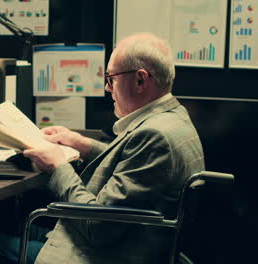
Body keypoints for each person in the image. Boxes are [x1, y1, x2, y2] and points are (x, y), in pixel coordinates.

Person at [20, 32, 205, 264]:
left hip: (104, 255)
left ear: (140, 80)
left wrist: (57, 166)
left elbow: (98, 227)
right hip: (132, 245)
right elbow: (130, 161)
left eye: (111, 79)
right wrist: (81, 143)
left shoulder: (154, 136)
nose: (108, 89)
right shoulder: (173, 117)